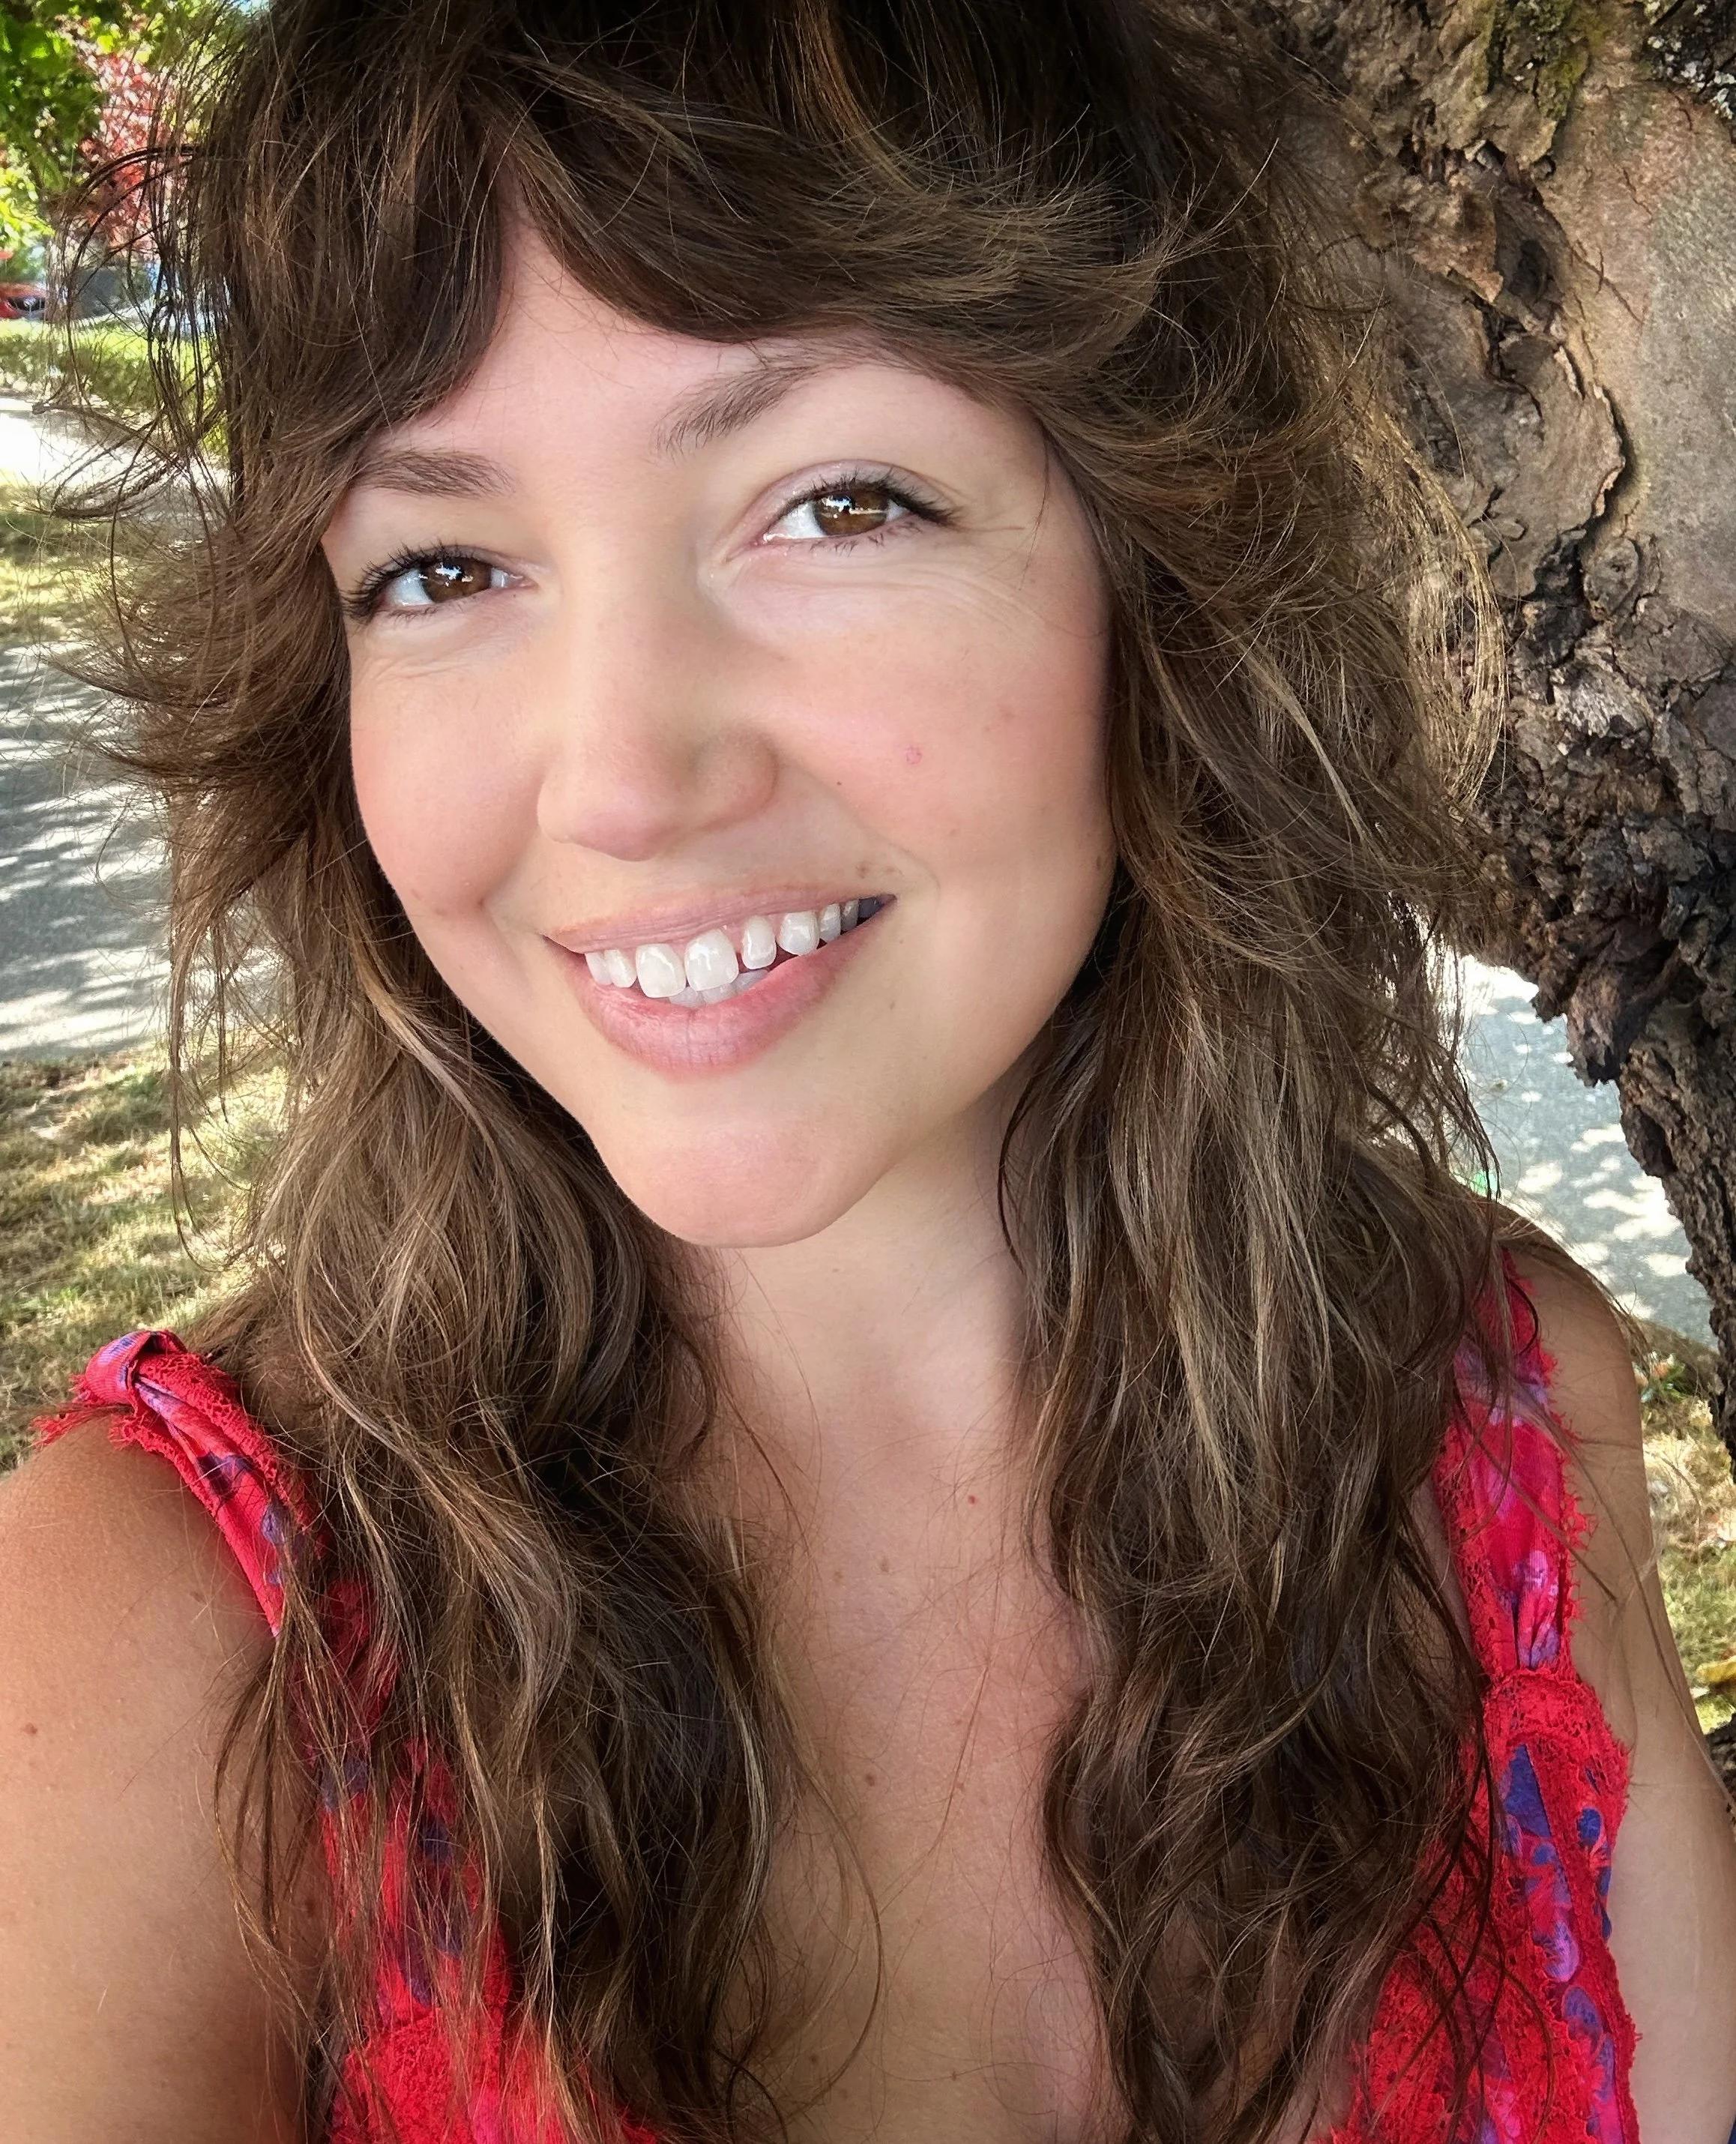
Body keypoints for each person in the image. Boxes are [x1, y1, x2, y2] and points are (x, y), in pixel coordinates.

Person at [2, 1, 1734, 2138]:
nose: (620, 779)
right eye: (441, 566)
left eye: (836, 505)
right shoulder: (147, 1658)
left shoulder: (1493, 1432)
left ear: (1159, 578)